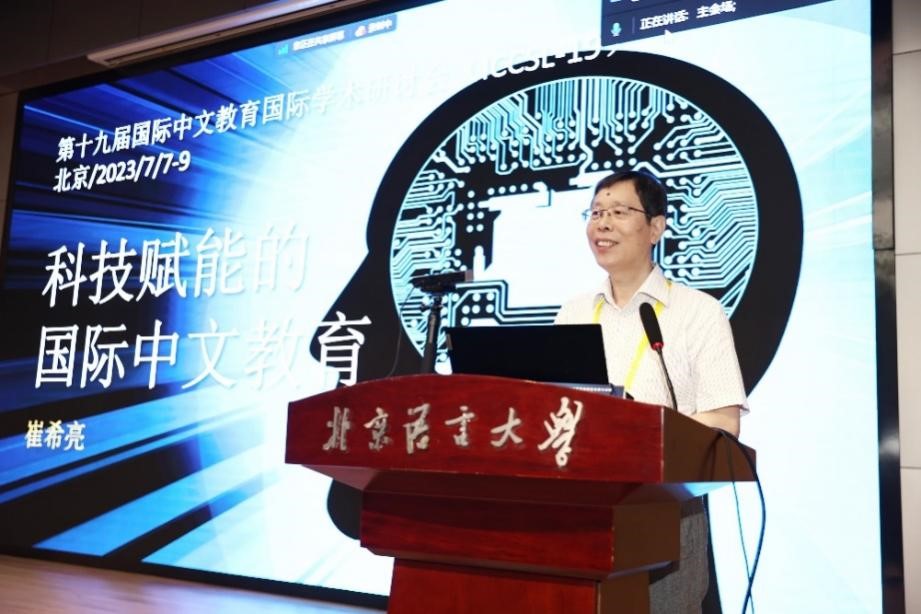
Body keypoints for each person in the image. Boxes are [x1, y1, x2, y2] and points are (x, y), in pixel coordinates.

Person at [555, 169, 747, 613]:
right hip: (581, 511)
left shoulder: (698, 312)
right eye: (595, 213)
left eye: (619, 212)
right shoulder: (574, 311)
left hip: (667, 510)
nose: (602, 223)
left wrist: (640, 431)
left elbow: (725, 422)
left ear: (656, 227)